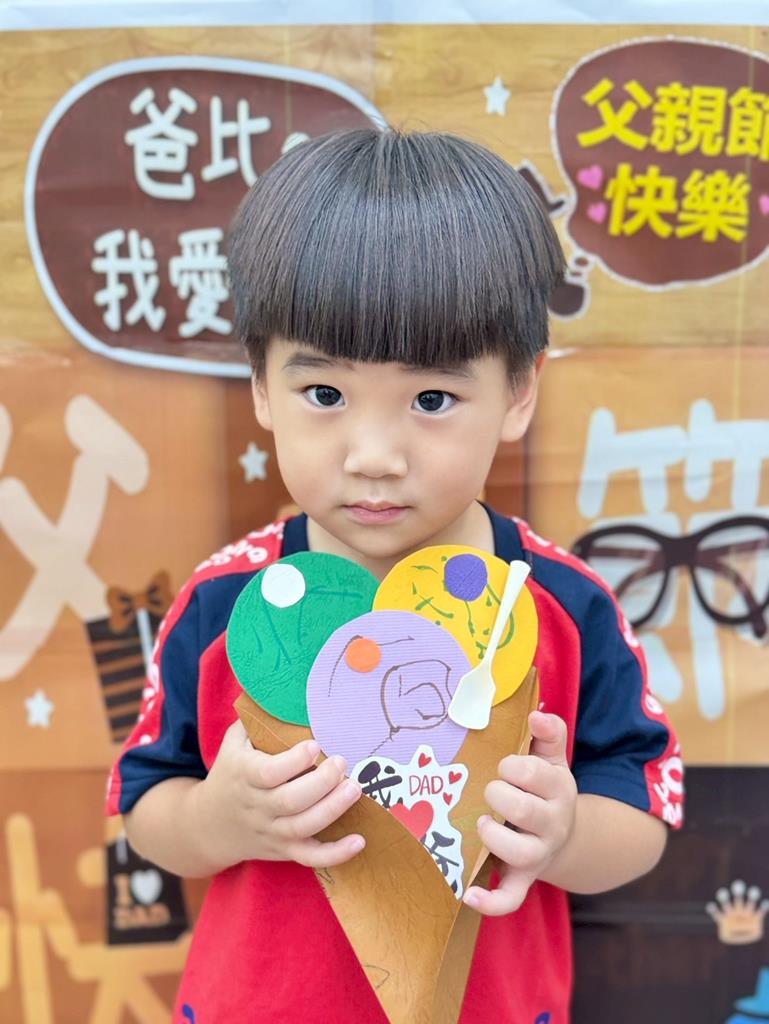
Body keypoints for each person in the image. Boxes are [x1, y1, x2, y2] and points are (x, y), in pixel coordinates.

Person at [106, 127, 683, 1023]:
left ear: (519, 392)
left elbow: (642, 812)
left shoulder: (562, 607)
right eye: (325, 395)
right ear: (259, 386)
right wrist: (223, 819)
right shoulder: (226, 604)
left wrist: (565, 832)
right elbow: (148, 806)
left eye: (432, 399)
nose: (374, 455)